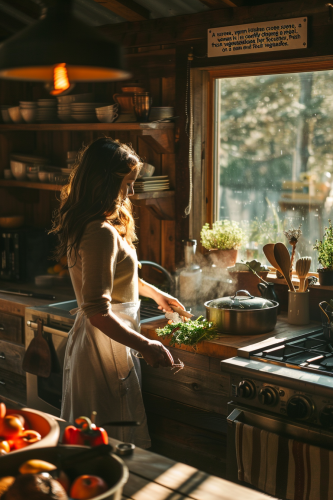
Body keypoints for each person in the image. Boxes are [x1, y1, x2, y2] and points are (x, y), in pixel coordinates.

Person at [50, 137, 184, 448]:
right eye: (128, 184)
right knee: (108, 445)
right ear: (105, 183)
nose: (132, 192)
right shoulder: (100, 232)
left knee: (106, 441)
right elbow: (97, 311)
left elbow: (111, 279)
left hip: (110, 341)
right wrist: (147, 345)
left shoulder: (98, 225)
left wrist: (154, 293)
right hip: (103, 345)